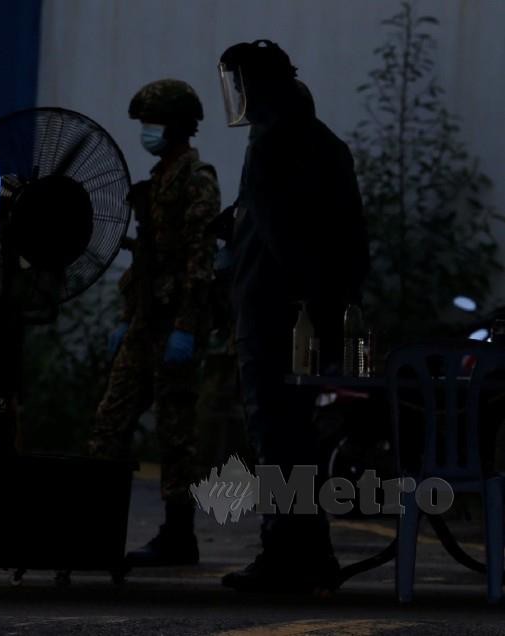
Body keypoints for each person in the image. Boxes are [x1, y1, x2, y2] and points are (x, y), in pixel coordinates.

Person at [216, 40, 368, 593]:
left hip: (271, 312)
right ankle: (311, 553)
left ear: (256, 87)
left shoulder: (272, 143)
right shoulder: (324, 142)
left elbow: (282, 236)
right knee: (295, 436)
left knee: (276, 436)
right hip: (311, 314)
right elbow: (348, 237)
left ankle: (287, 554)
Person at [89, 79, 220, 566]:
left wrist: (187, 326)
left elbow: (200, 260)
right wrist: (127, 317)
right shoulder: (161, 177)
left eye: (154, 125)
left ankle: (179, 534)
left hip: (175, 326)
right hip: (146, 321)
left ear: (180, 127)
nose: (147, 133)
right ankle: (99, 529)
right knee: (109, 423)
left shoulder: (196, 179)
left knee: (175, 433)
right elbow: (146, 261)